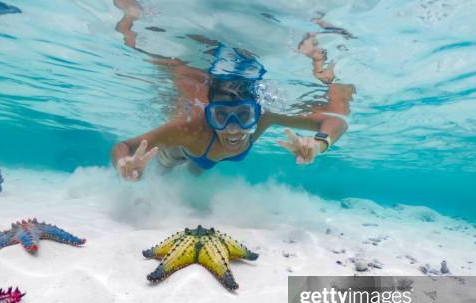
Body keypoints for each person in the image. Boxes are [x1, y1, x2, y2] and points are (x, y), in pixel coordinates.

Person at [111, 3, 355, 181]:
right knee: (162, 172)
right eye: (221, 116)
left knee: (195, 174)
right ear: (208, 114)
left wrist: (320, 144)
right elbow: (124, 146)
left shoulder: (265, 117)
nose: (233, 128)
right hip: (181, 150)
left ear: (257, 111)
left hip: (204, 159)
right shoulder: (191, 128)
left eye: (244, 115)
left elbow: (335, 120)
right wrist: (125, 163)